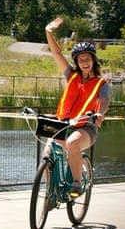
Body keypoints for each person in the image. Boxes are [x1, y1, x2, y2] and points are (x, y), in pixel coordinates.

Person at [44, 17, 110, 197]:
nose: (84, 62)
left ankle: (77, 183)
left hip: (86, 127)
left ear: (93, 60)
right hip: (64, 123)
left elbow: (104, 100)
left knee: (72, 143)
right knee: (47, 154)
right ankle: (51, 192)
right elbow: (57, 53)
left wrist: (99, 113)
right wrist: (48, 31)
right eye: (80, 60)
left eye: (87, 59)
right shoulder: (71, 76)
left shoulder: (101, 83)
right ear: (77, 62)